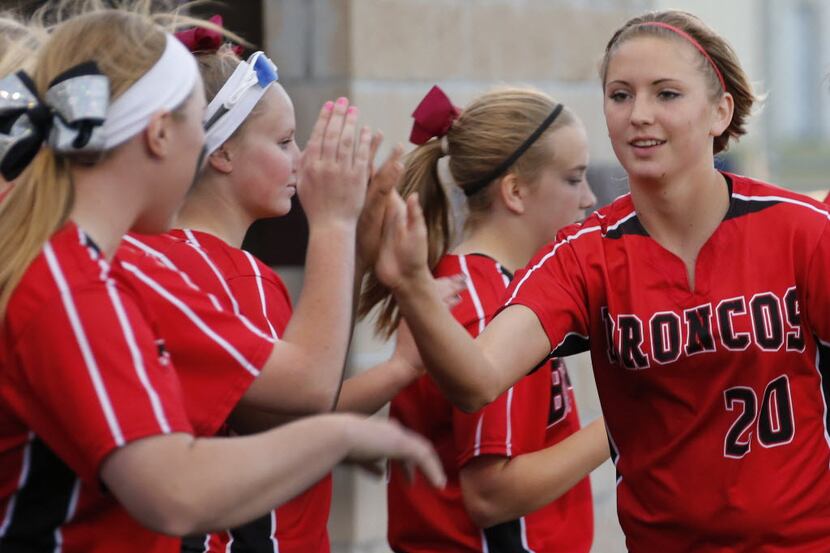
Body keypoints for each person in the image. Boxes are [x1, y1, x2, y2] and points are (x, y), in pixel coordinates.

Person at [374, 9, 830, 552]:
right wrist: (412, 288)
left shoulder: (799, 227)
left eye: (666, 94)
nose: (639, 114)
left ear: (719, 111)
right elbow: (477, 381)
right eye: (620, 95)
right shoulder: (582, 254)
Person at [0, 5, 443, 552]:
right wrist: (338, 432)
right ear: (161, 134)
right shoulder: (71, 282)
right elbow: (174, 489)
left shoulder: (89, 265)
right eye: (195, 127)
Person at [126, 35, 456, 553]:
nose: (300, 161)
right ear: (223, 153)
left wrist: (355, 255)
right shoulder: (236, 276)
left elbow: (289, 393)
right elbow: (302, 402)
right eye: (284, 143)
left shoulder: (173, 257)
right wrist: (334, 224)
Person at [360, 85, 608, 552]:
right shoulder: (492, 305)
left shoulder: (484, 284)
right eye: (574, 179)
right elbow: (491, 495)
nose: (589, 198)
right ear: (514, 191)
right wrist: (620, 424)